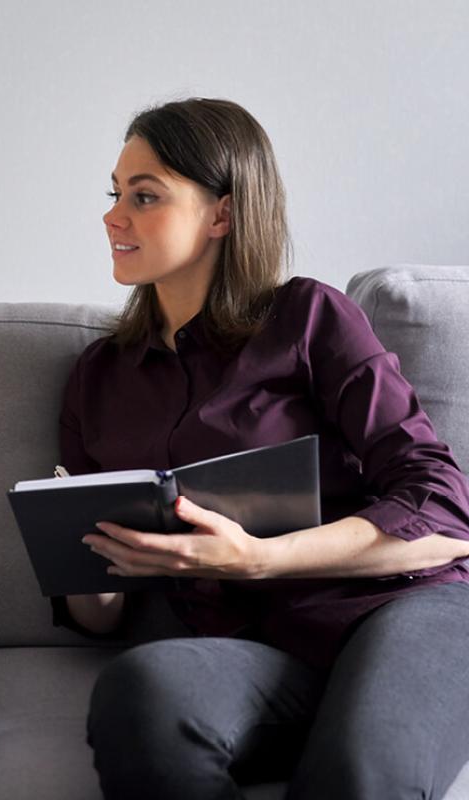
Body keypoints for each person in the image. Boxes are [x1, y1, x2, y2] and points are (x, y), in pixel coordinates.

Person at [60, 97, 469, 799]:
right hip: (261, 652)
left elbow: (444, 512)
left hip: (398, 610)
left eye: (145, 195)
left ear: (221, 214)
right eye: (115, 193)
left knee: (355, 776)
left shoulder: (308, 318)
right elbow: (102, 616)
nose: (113, 216)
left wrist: (259, 558)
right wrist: (89, 568)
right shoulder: (100, 376)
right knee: (143, 691)